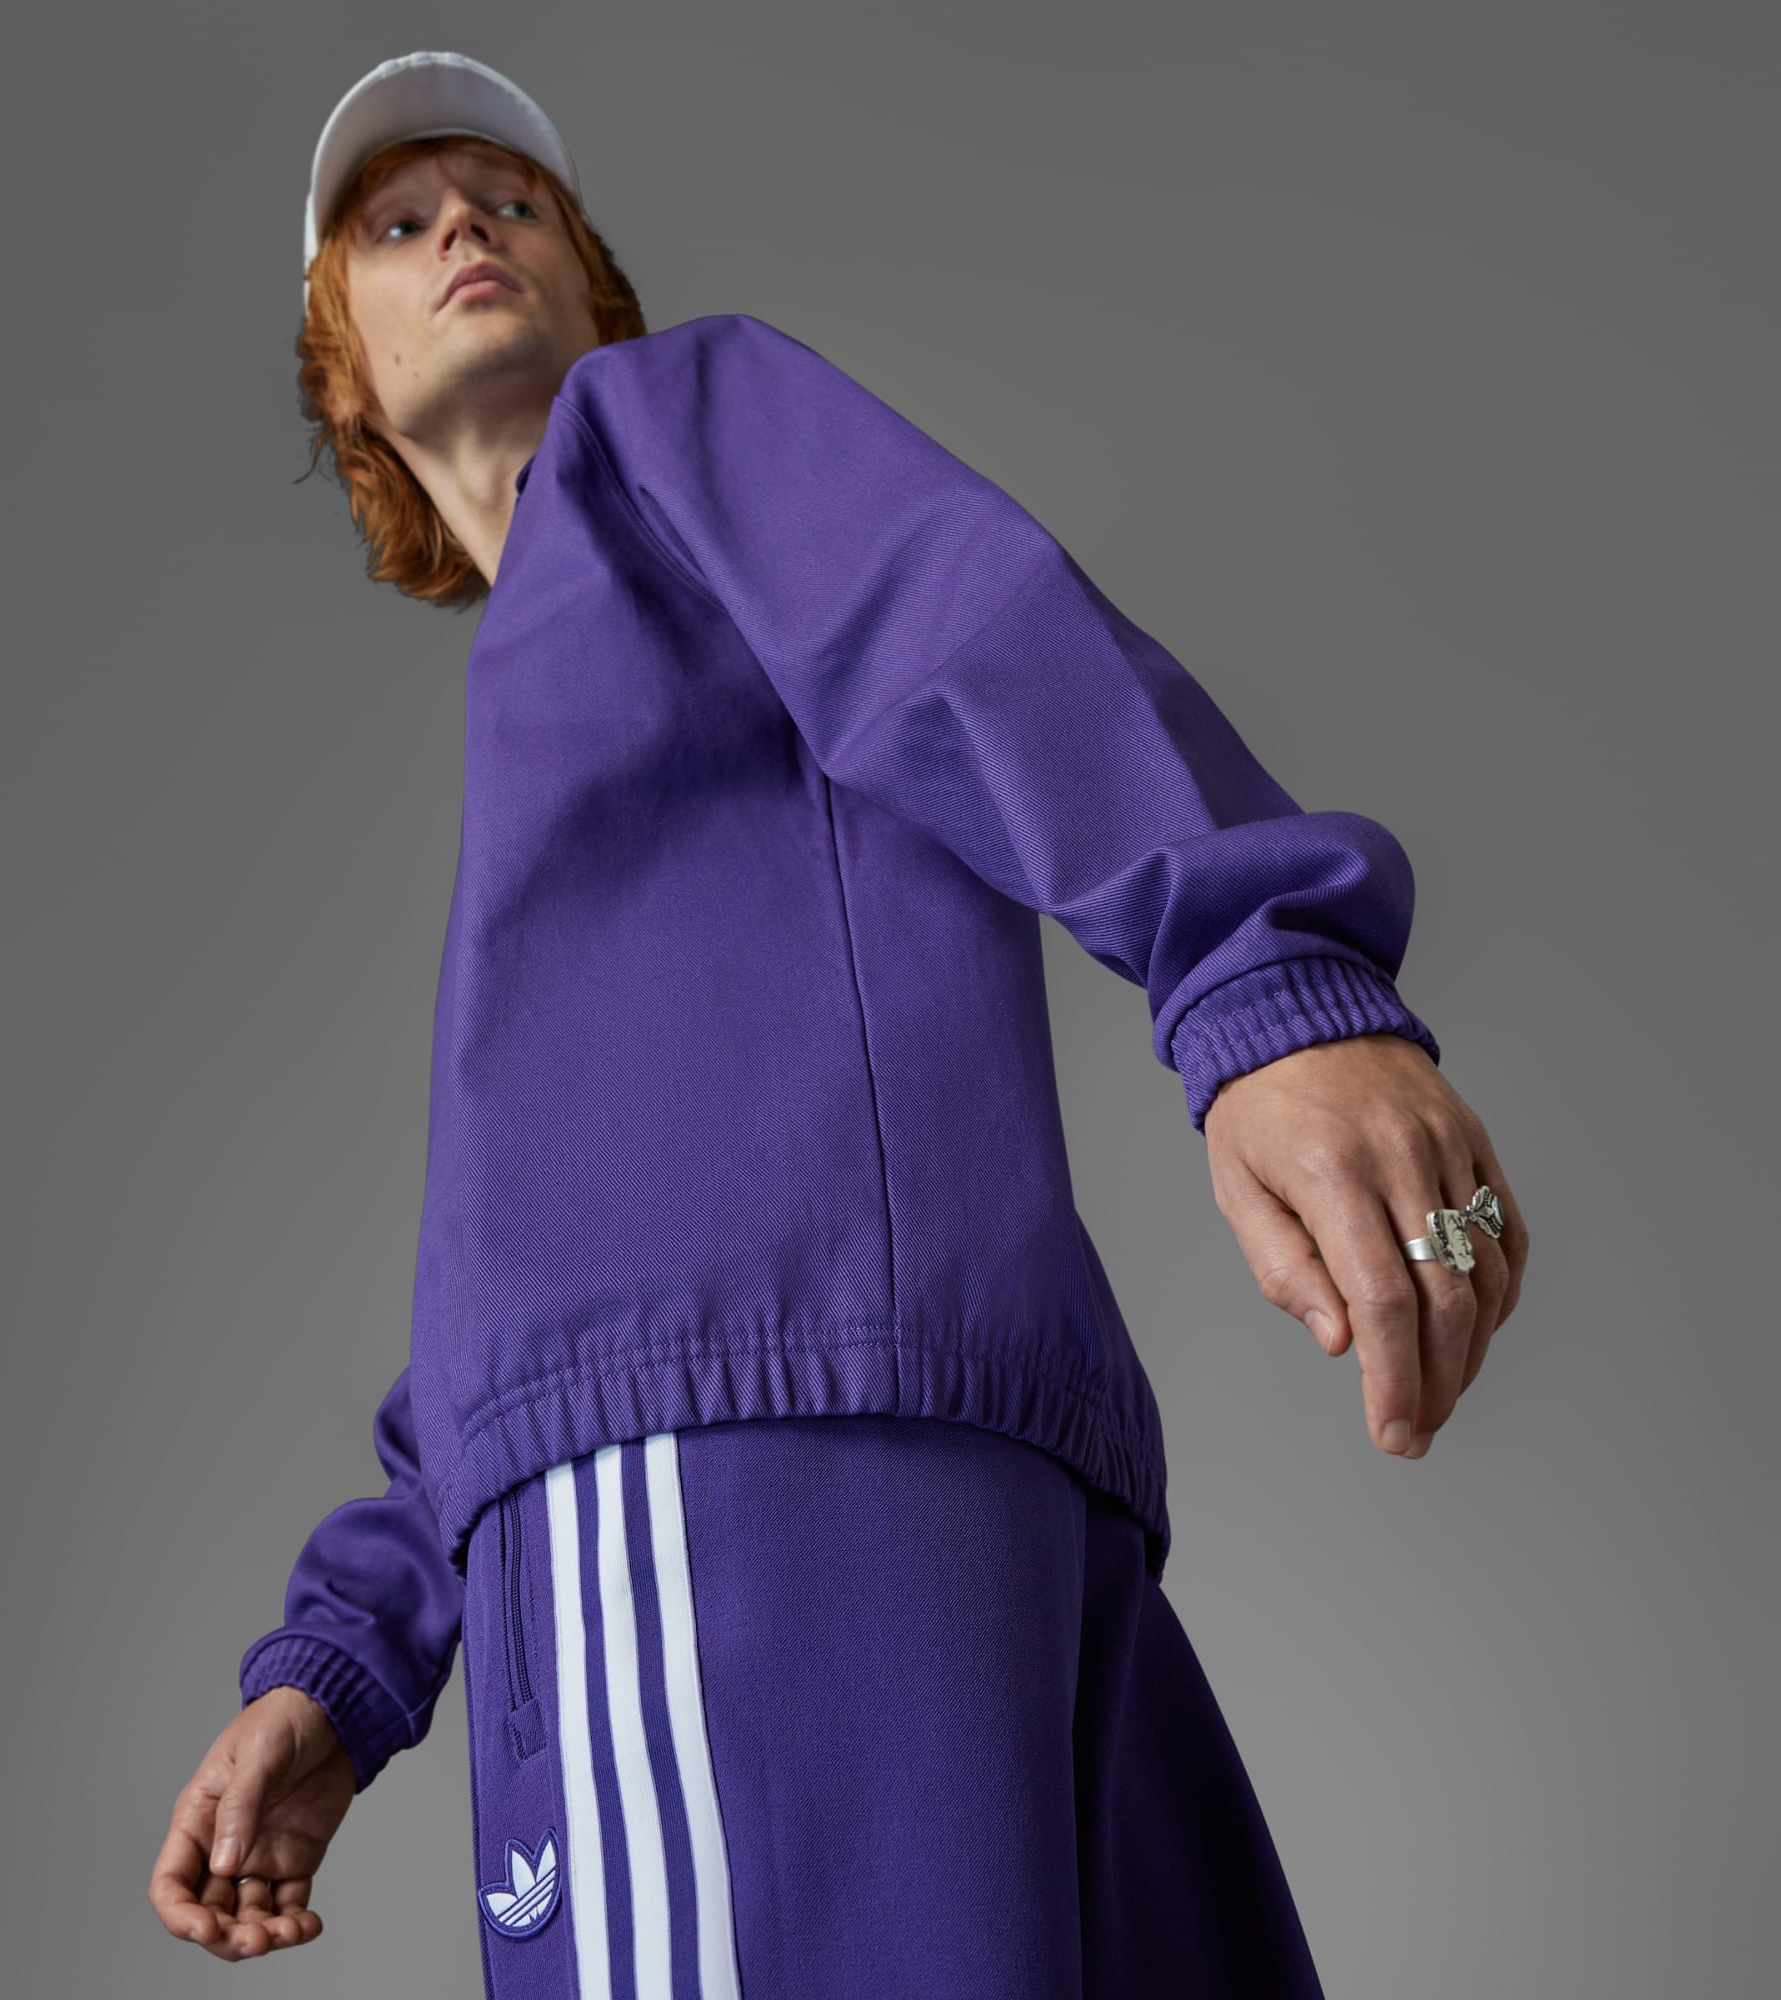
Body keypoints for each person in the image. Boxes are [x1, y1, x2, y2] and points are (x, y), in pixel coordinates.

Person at [146, 50, 1527, 1998]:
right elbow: (539, 1281)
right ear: (341, 374)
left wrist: (1259, 972)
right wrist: (351, 1652)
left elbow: (951, 622)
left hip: (740, 1490)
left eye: (514, 203)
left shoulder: (660, 418)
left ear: (596, 295)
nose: (465, 224)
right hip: (979, 1492)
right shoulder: (571, 691)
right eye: (396, 221)